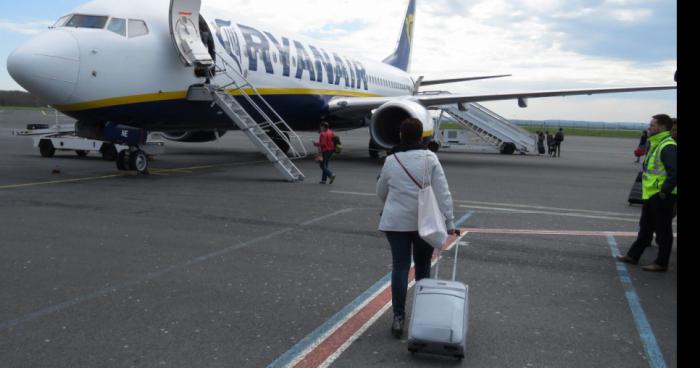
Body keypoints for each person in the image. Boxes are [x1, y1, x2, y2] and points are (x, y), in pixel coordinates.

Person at [376, 118, 456, 338]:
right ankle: (421, 315)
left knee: (400, 267)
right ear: (422, 136)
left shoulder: (391, 160)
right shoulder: (430, 158)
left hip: (396, 222)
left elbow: (381, 191)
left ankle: (398, 317)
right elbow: (442, 192)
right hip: (425, 223)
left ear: (401, 135)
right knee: (422, 268)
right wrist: (449, 221)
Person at [617, 114, 677, 272]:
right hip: (651, 193)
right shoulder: (657, 143)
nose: (648, 128)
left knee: (663, 230)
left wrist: (664, 191)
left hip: (661, 195)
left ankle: (661, 263)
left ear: (661, 127)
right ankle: (633, 255)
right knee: (645, 227)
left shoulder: (667, 145)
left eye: (652, 125)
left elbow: (674, 172)